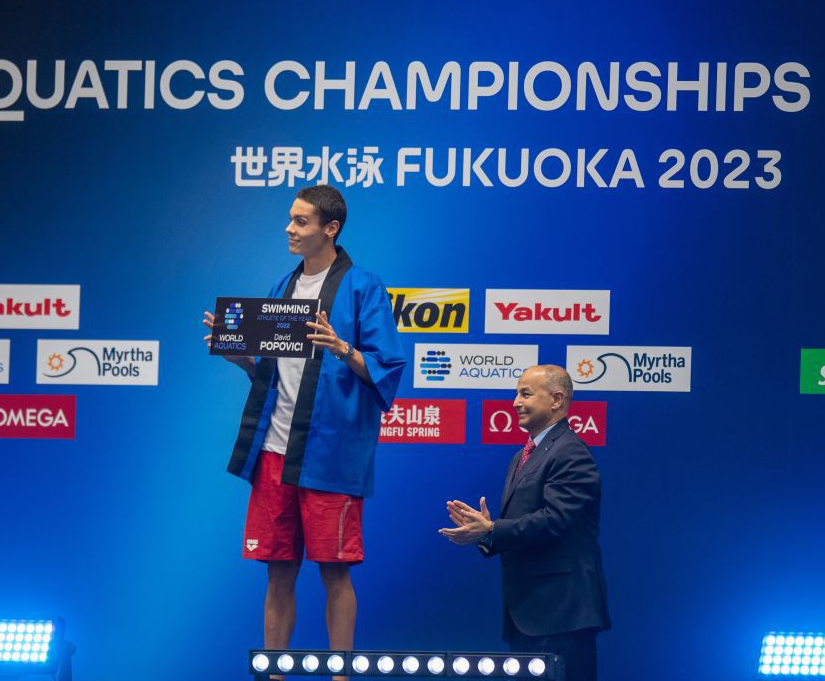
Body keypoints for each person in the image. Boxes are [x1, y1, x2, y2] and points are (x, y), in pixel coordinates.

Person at [203, 185, 406, 679]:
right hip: (274, 451)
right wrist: (241, 359)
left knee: (335, 571)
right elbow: (269, 375)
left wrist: (343, 348)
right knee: (277, 571)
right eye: (290, 220)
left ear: (330, 228)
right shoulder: (281, 289)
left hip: (330, 454)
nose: (289, 229)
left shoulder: (363, 287)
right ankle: (273, 674)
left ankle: (341, 674)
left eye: (301, 221)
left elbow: (387, 367)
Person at [439, 364, 610, 681]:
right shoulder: (522, 456)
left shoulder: (571, 452)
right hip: (527, 613)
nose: (515, 402)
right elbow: (521, 527)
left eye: (525, 394)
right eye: (516, 393)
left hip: (563, 612)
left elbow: (556, 521)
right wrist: (485, 534)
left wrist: (492, 529)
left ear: (557, 399)